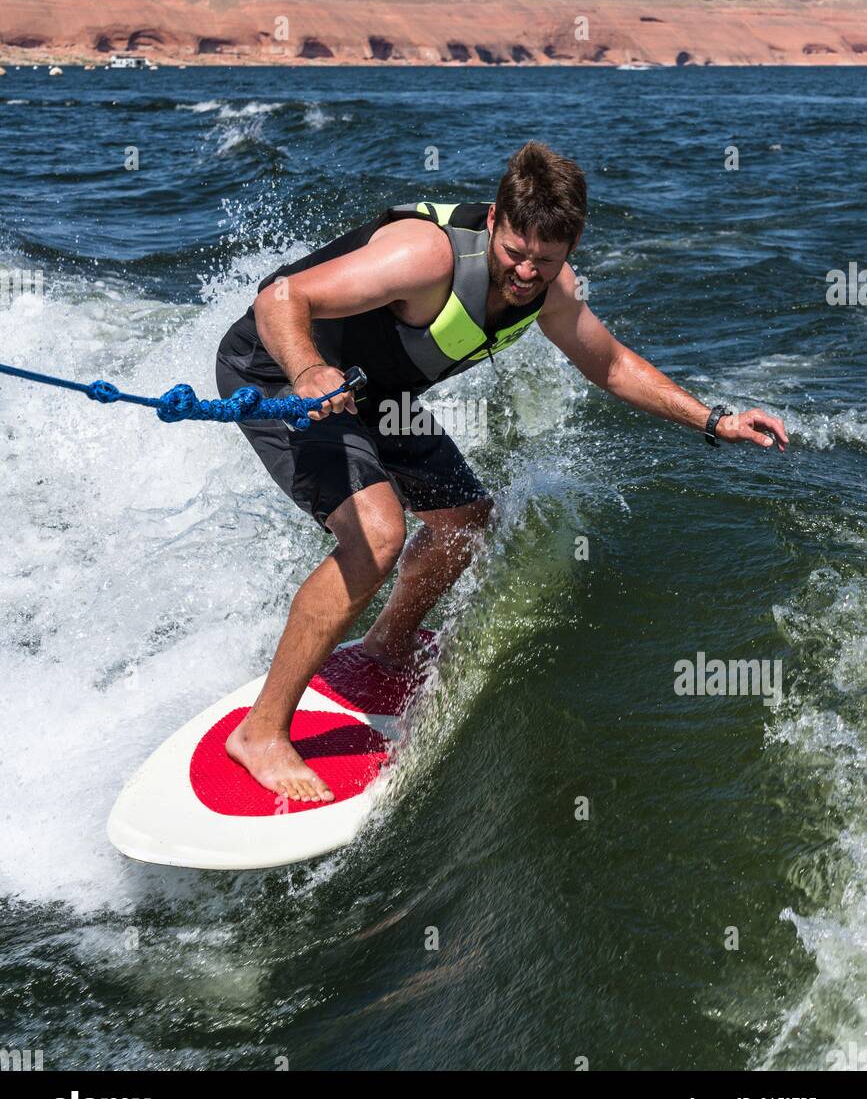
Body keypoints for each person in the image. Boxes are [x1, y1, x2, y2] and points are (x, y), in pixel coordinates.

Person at [216, 142, 788, 801]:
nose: (524, 272)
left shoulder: (550, 288)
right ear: (493, 220)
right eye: (515, 252)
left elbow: (609, 365)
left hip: (370, 394)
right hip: (277, 371)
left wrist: (712, 421)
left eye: (545, 261)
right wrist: (309, 371)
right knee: (376, 536)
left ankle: (384, 647)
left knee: (462, 519)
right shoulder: (425, 256)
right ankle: (260, 732)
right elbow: (280, 298)